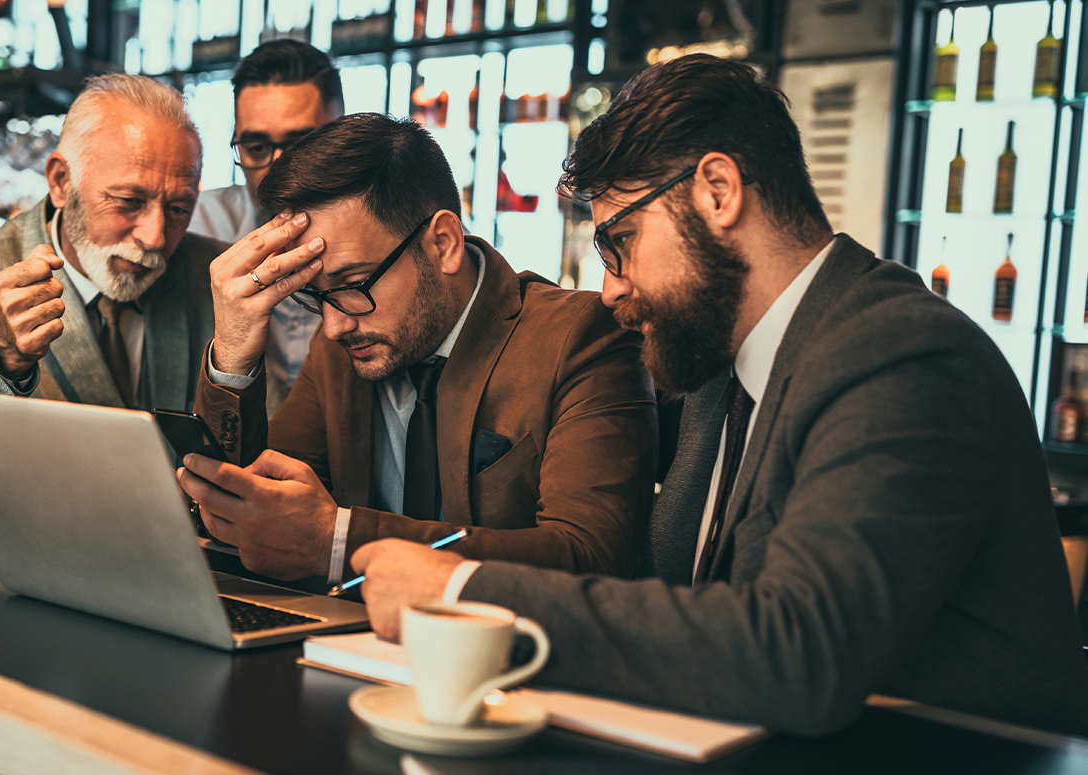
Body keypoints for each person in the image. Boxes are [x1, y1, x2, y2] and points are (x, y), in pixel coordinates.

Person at [351, 55, 1088, 737]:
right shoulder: (716, 370)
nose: (608, 288)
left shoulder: (906, 357)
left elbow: (799, 655)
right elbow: (651, 589)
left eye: (619, 241)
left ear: (718, 191)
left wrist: (465, 586)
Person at [175, 112, 657, 586]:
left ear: (444, 243)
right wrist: (233, 357)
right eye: (316, 294)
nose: (333, 325)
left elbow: (592, 557)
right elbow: (252, 519)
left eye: (354, 283)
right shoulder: (343, 343)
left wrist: (338, 541)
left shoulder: (582, 337)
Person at [0, 74, 225, 496]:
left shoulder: (216, 276)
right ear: (61, 182)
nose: (154, 237)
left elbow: (264, 456)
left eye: (177, 208)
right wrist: (2, 356)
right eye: (129, 202)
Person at [188, 39, 343, 413]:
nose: (277, 169)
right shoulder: (193, 225)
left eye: (300, 145)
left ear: (342, 136)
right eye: (256, 148)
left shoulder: (393, 233)